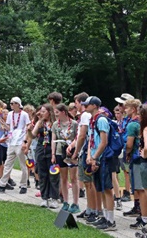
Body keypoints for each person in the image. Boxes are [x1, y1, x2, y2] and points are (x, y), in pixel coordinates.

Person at [86, 96, 117, 231]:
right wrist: (89, 156)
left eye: (87, 104)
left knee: (107, 189)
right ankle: (105, 216)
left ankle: (111, 220)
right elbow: (91, 140)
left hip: (103, 158)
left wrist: (95, 157)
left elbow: (103, 142)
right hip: (95, 157)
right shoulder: (92, 120)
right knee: (101, 189)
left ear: (94, 105)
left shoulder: (102, 120)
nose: (85, 106)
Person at [68, 92, 99, 223]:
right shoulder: (84, 116)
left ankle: (93, 209)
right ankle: (89, 208)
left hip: (86, 152)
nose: (75, 106)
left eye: (76, 102)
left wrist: (76, 152)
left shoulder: (86, 115)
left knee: (89, 183)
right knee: (86, 183)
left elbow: (82, 135)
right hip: (84, 152)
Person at [0, 96, 30, 194]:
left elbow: (28, 129)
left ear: (18, 104)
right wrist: (4, 125)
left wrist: (25, 142)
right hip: (12, 142)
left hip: (20, 142)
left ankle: (23, 185)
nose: (11, 105)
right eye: (10, 103)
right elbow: (10, 128)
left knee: (23, 164)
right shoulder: (10, 114)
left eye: (12, 103)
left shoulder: (24, 115)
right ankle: (2, 184)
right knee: (7, 164)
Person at [51, 103, 80, 213]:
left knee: (73, 178)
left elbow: (77, 137)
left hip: (71, 152)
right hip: (60, 152)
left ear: (64, 112)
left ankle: (76, 202)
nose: (56, 115)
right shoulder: (55, 124)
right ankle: (65, 201)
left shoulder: (74, 124)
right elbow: (53, 140)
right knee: (63, 178)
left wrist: (72, 145)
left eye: (57, 112)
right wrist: (53, 154)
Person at [31, 104, 60, 208]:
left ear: (49, 112)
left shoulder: (55, 123)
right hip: (41, 149)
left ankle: (54, 198)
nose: (41, 113)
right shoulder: (40, 123)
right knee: (42, 174)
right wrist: (37, 123)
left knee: (53, 174)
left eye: (43, 111)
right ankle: (44, 197)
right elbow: (33, 135)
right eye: (41, 111)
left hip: (52, 150)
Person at [123, 98, 146, 223]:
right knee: (140, 187)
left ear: (133, 109)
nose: (124, 110)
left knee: (139, 188)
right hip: (144, 158)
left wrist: (126, 153)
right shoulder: (142, 121)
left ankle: (143, 216)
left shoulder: (132, 124)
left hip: (136, 158)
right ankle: (142, 211)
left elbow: (129, 144)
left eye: (126, 108)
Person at [0, 108, 10, 186]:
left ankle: (3, 180)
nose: (6, 115)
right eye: (4, 113)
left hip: (7, 145)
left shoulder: (10, 124)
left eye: (7, 113)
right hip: (0, 145)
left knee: (6, 164)